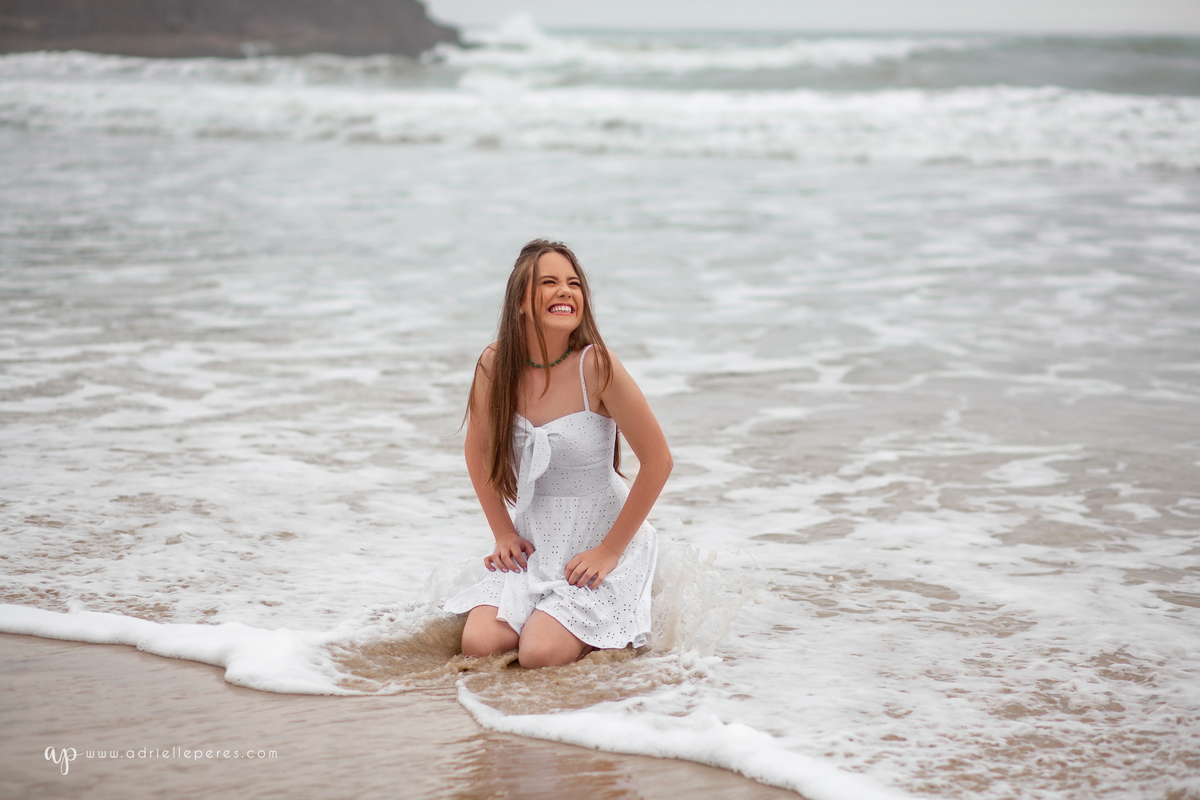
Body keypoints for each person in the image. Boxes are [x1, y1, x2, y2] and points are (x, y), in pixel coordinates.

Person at [444, 239, 673, 669]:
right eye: (548, 282)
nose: (565, 291)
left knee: (538, 653)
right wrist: (503, 533)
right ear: (521, 303)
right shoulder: (494, 366)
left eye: (573, 283)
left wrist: (609, 551)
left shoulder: (597, 366)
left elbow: (658, 460)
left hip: (598, 540)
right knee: (479, 643)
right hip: (535, 541)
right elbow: (476, 453)